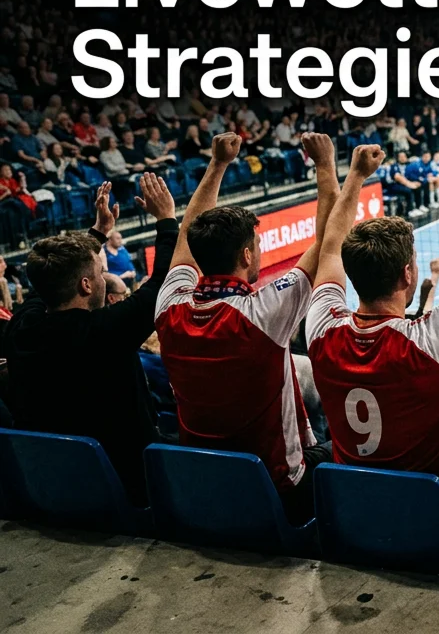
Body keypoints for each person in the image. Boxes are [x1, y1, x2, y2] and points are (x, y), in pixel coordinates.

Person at [306, 144, 439, 541]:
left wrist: (353, 175)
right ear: (407, 275)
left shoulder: (321, 328)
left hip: (356, 510)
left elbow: (330, 247)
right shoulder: (430, 341)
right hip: (437, 522)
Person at [153, 133, 339, 522]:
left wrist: (217, 164)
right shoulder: (264, 313)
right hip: (277, 489)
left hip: (206, 479)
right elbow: (327, 242)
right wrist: (325, 165)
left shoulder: (170, 307)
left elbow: (185, 239)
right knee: (349, 447)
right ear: (247, 254)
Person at [2, 176, 179, 503]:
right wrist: (166, 217)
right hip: (127, 487)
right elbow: (164, 281)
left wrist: (95, 235)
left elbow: (48, 282)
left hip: (55, 486)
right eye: (98, 274)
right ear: (85, 285)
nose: (102, 278)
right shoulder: (105, 330)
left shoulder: (21, 329)